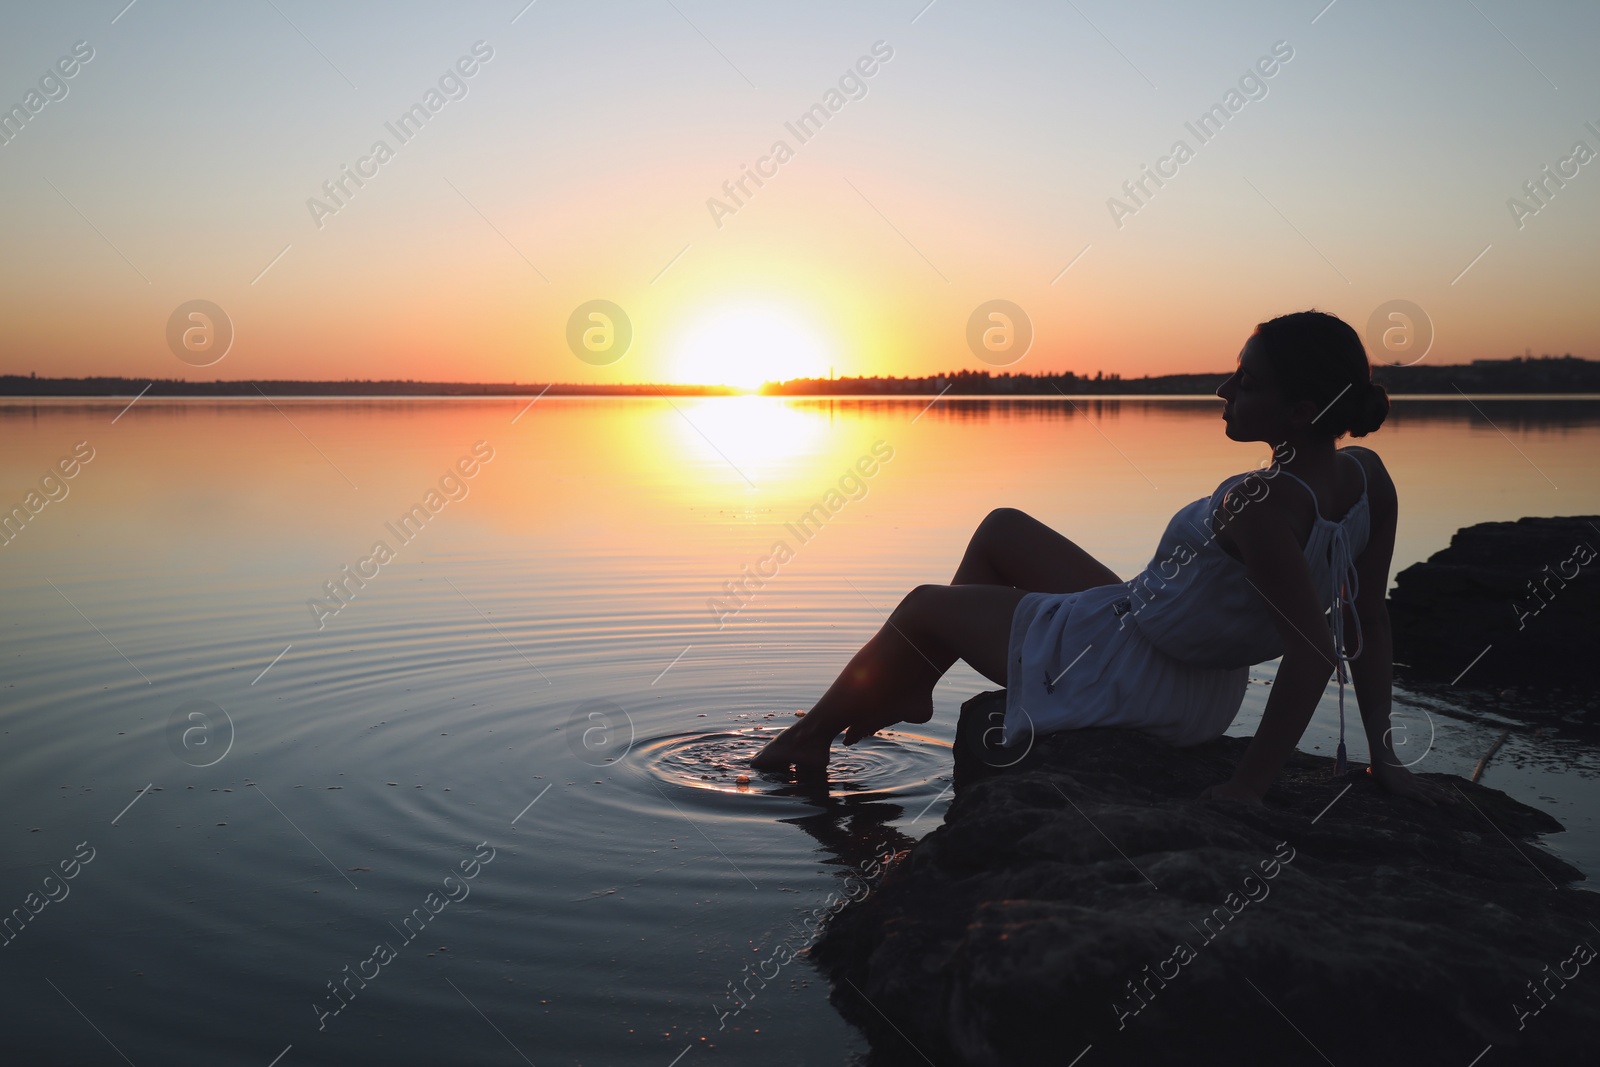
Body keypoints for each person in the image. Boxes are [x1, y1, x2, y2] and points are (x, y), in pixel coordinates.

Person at [750, 310, 1456, 807]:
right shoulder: (1368, 478)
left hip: (1138, 674)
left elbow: (1312, 654)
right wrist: (1383, 756)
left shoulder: (1263, 503)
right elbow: (1370, 620)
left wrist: (1248, 785)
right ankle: (915, 680)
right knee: (1002, 527)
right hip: (1173, 645)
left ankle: (806, 741)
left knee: (923, 604)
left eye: (1245, 381)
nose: (1223, 390)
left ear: (1301, 409)